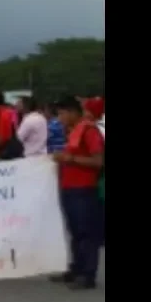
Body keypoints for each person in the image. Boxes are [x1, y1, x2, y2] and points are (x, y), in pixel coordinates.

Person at [49, 96, 104, 290]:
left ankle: (87, 275)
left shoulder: (89, 131)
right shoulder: (73, 131)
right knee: (74, 231)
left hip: (84, 188)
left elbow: (98, 161)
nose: (59, 118)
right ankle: (76, 269)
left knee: (85, 233)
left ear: (73, 112)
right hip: (70, 188)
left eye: (62, 113)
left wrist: (70, 159)